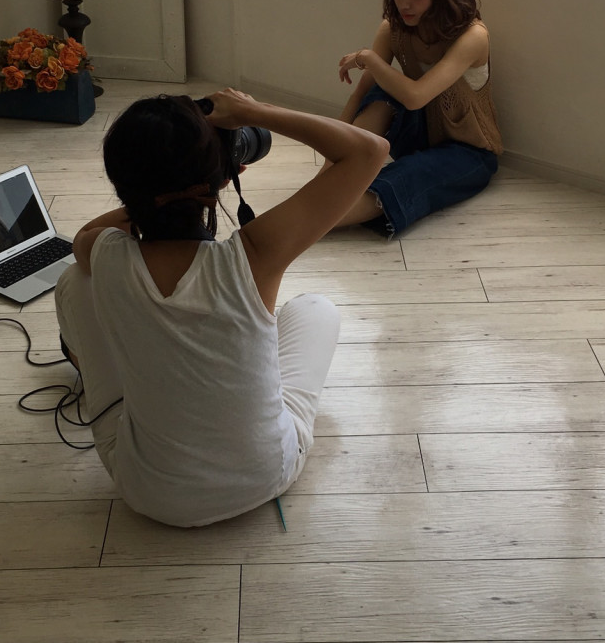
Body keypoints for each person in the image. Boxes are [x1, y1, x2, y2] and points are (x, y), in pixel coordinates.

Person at [55, 90, 388, 527]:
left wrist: (157, 191)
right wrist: (255, 111)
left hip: (148, 492)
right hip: (266, 475)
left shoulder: (103, 251)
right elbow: (369, 151)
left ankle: (92, 363)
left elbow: (83, 238)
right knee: (316, 308)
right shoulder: (253, 255)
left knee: (74, 280)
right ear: (225, 177)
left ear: (121, 185)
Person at [334, 0, 503, 235]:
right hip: (417, 134)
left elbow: (416, 96)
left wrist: (368, 58)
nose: (404, 2)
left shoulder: (472, 36)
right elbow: (362, 94)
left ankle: (297, 228)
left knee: (402, 177)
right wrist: (331, 163)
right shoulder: (393, 28)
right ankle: (337, 179)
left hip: (468, 153)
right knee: (381, 90)